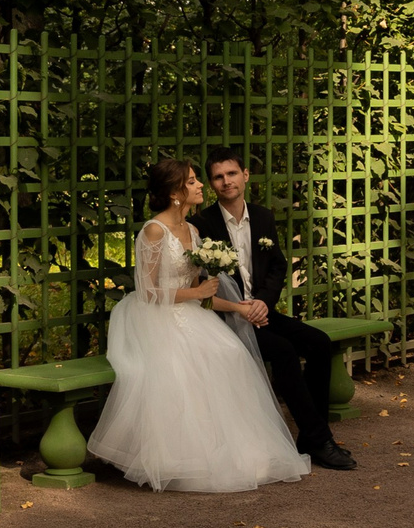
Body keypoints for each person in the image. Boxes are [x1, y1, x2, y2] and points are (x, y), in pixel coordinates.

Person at [84, 157, 311, 493]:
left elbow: (199, 294)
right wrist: (197, 291)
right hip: (155, 318)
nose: (201, 185)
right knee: (184, 365)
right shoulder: (153, 230)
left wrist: (237, 307)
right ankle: (182, 458)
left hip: (189, 310)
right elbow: (147, 292)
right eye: (192, 181)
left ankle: (233, 451)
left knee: (230, 352)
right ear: (176, 191)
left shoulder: (192, 230)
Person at [191, 149, 356, 471]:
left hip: (261, 309)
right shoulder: (201, 224)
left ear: (245, 175)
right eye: (218, 177)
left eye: (232, 174)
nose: (226, 181)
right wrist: (243, 308)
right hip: (225, 316)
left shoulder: (263, 216)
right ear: (212, 184)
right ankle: (321, 440)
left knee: (319, 342)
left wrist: (263, 302)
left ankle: (313, 436)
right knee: (283, 351)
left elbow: (277, 265)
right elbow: (199, 282)